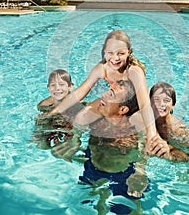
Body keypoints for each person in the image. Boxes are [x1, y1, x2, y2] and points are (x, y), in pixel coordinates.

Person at [47, 30, 160, 149]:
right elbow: (79, 92)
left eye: (121, 53)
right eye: (110, 53)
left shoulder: (134, 71)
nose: (115, 58)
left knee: (141, 124)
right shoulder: (102, 69)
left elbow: (144, 104)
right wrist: (55, 111)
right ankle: (75, 144)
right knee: (82, 116)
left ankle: (141, 160)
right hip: (115, 101)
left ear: (129, 52)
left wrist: (152, 134)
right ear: (104, 52)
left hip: (134, 106)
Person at [62, 80, 148, 214]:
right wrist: (73, 143)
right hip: (93, 168)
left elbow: (143, 150)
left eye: (111, 95)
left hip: (123, 175)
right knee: (77, 207)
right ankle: (102, 196)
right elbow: (77, 128)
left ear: (123, 109)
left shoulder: (132, 129)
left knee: (131, 209)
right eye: (108, 90)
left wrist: (140, 173)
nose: (103, 94)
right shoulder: (96, 118)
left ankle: (104, 196)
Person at [148, 82, 189, 182]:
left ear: (173, 105)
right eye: (156, 100)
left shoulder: (176, 129)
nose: (161, 104)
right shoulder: (148, 119)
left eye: (166, 100)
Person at [33, 69, 83, 159]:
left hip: (69, 125)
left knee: (75, 139)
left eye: (61, 84)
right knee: (41, 145)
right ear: (48, 88)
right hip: (53, 124)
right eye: (53, 85)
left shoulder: (75, 102)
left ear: (70, 86)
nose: (57, 88)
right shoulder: (44, 104)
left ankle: (71, 155)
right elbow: (41, 116)